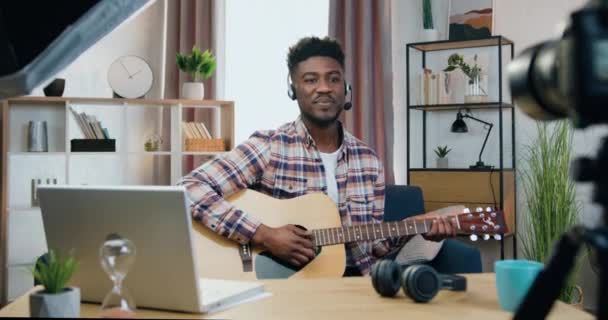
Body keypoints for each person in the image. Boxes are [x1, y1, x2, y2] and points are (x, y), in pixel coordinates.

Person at [178, 36, 456, 276]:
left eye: (333, 79)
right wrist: (263, 234)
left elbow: (374, 248)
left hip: (354, 283)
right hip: (286, 285)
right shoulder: (270, 146)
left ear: (345, 89)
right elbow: (188, 188)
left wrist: (413, 230)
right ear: (293, 89)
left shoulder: (368, 161)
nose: (324, 88)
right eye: (310, 80)